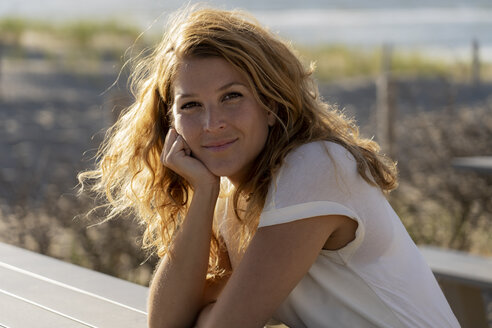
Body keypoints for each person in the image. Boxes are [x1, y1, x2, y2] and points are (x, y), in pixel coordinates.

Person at [79, 5, 460, 328]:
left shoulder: (314, 167)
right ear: (172, 123)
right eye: (191, 105)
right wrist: (203, 193)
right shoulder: (231, 200)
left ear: (272, 104)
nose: (212, 124)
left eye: (232, 96)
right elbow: (166, 322)